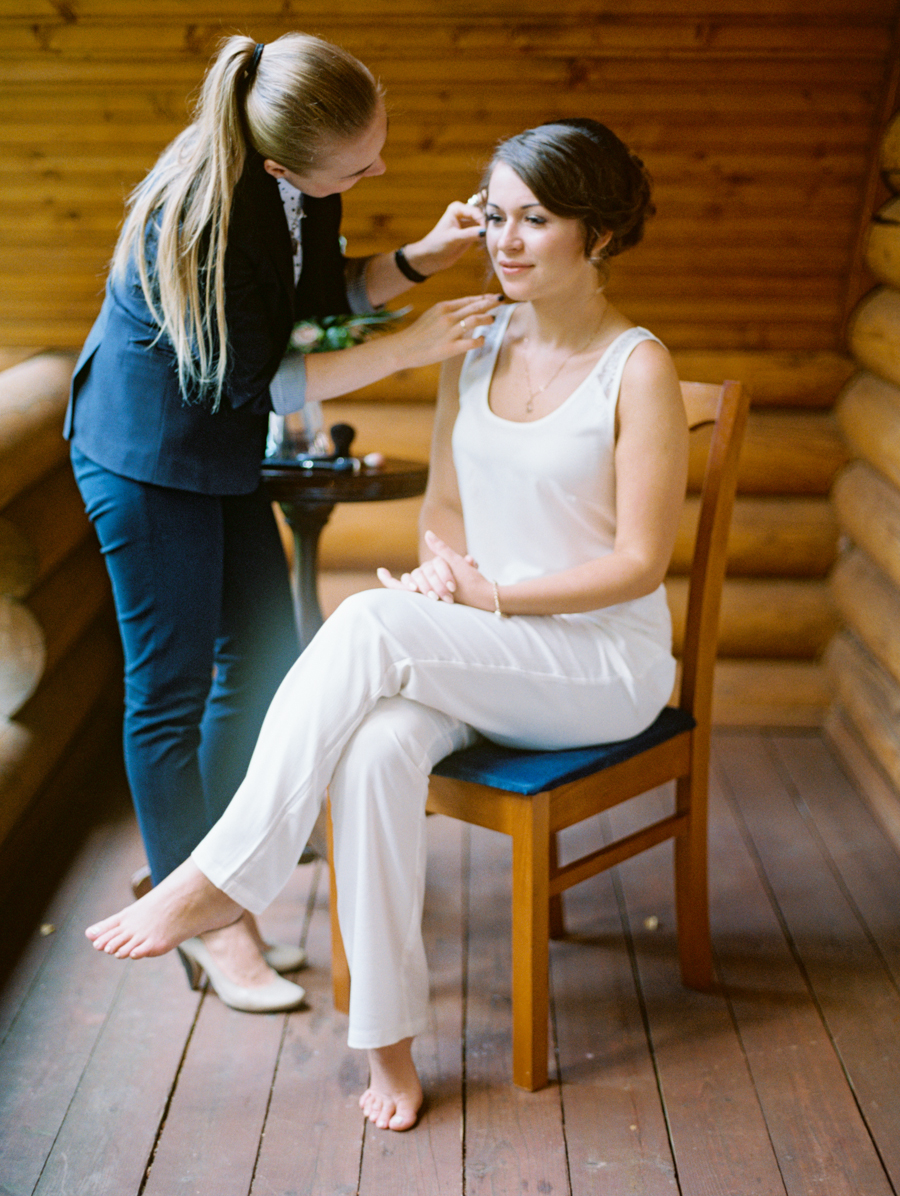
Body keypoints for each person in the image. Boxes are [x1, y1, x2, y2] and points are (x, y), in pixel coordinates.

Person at [85, 118, 689, 1128]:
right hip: (488, 646)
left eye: (535, 219)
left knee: (369, 623)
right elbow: (443, 510)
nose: (504, 240)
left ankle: (218, 876)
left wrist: (489, 597)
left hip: (599, 664)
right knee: (370, 746)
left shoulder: (640, 368)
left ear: (602, 235)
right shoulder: (478, 340)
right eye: (495, 215)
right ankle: (390, 1047)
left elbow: (639, 561)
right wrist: (447, 573)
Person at [66, 31, 498, 1015]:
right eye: (361, 162)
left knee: (261, 657)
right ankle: (210, 920)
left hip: (216, 447)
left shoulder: (298, 183)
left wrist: (423, 258)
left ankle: (211, 875)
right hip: (145, 457)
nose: (378, 167)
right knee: (168, 688)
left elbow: (320, 297)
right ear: (274, 163)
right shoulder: (206, 221)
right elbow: (270, 379)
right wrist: (413, 347)